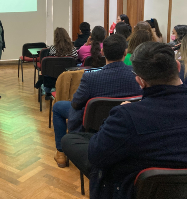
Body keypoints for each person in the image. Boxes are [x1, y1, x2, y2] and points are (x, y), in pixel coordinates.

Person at [63, 42, 187, 199]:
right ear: (178, 67)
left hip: (132, 189)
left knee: (73, 141)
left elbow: (95, 156)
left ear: (140, 81)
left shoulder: (127, 116)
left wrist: (118, 115)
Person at [52, 34, 142, 168]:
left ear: (102, 52)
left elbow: (76, 103)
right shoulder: (138, 75)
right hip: (126, 123)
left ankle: (61, 153)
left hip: (92, 122)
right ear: (125, 51)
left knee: (58, 106)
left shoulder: (90, 78)